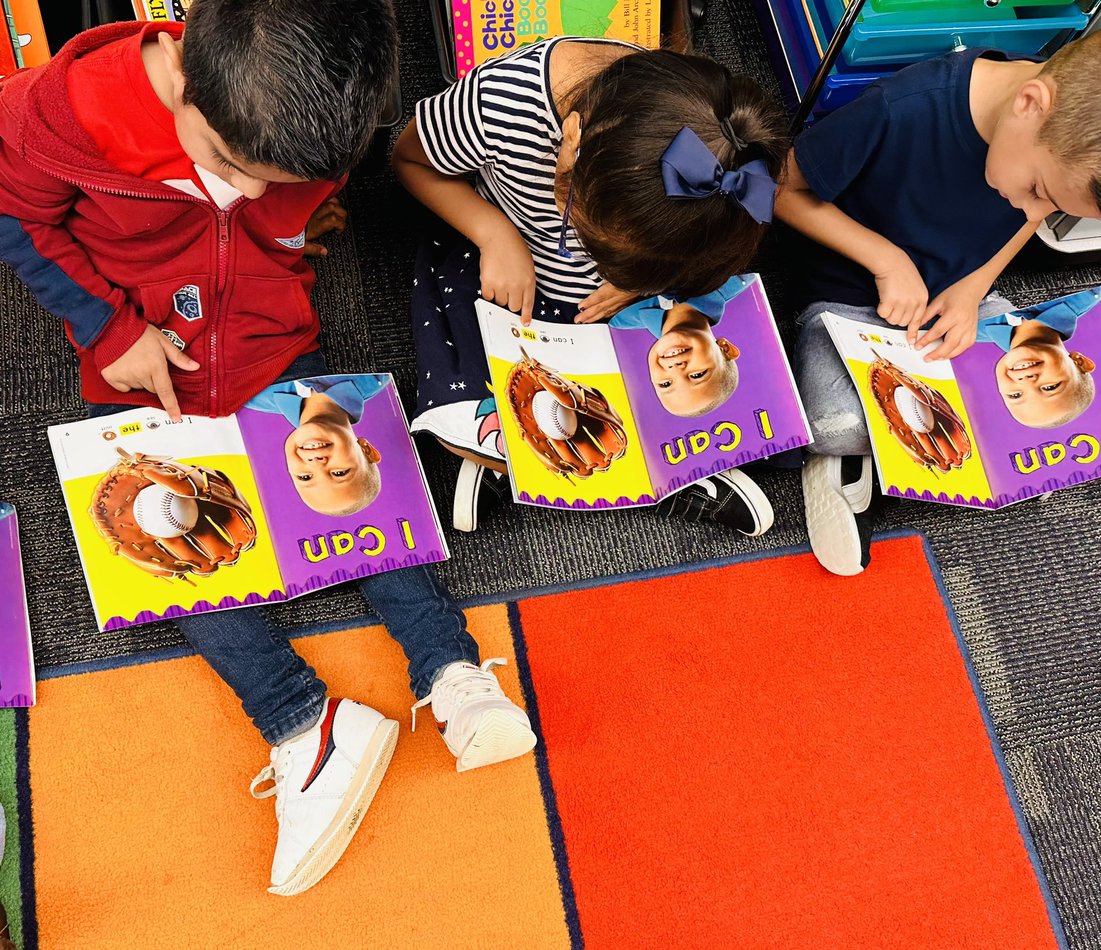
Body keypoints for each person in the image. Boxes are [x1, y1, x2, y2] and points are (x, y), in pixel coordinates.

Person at [0, 0, 535, 897]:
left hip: (268, 335)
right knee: (168, 548)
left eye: (274, 178)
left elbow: (284, 214)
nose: (248, 193)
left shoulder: (313, 112)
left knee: (351, 478)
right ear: (179, 76)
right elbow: (16, 217)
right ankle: (300, 723)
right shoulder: (59, 110)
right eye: (228, 166)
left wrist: (290, 240)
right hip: (141, 354)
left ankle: (450, 670)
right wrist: (106, 328)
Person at [774, 24, 1101, 576]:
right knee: (833, 421)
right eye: (1039, 189)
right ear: (1029, 104)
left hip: (959, 295)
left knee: (1047, 402)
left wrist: (974, 290)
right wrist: (887, 261)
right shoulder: (903, 108)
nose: (1034, 206)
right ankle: (849, 459)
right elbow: (779, 188)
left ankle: (916, 446)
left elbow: (1032, 217)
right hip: (848, 292)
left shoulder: (1044, 143)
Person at [393, 39, 789, 536]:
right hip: (507, 262)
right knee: (461, 406)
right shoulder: (500, 105)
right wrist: (495, 234)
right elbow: (407, 159)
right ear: (572, 135)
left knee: (698, 379)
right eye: (576, 224)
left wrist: (636, 281)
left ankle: (515, 467)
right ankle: (660, 478)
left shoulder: (722, 150)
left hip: (632, 295)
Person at [244, 374, 388, 514]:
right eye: (339, 473)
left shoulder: (248, 394)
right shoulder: (375, 375)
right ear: (366, 450)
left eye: (305, 477)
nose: (317, 464)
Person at [610, 274, 749, 417]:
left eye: (665, 384)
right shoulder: (738, 277)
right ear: (725, 348)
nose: (675, 369)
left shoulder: (614, 316)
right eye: (697, 375)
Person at [978, 287, 1100, 428]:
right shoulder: (1087, 292)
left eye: (1015, 395)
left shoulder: (962, 329)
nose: (1027, 382)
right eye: (1050, 387)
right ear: (1079, 361)